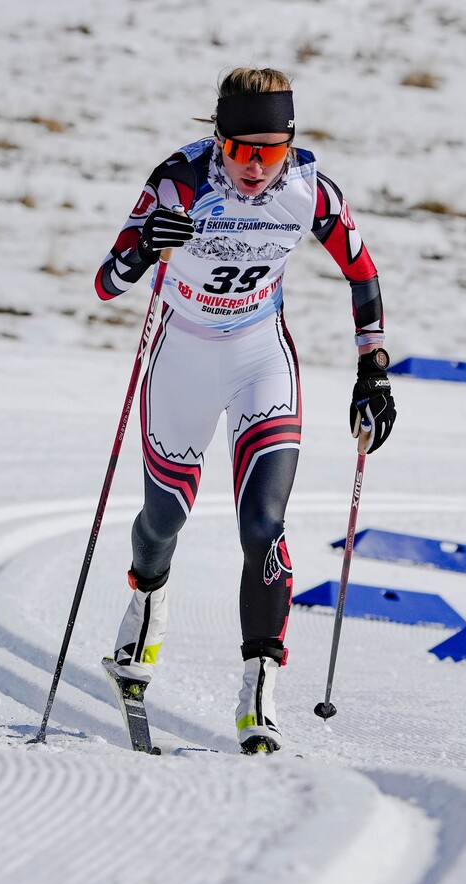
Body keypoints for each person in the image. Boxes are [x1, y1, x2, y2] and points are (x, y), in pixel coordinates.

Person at [95, 67, 396, 754]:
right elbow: (107, 281)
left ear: (290, 144)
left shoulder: (309, 189)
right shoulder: (178, 179)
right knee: (163, 517)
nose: (256, 168)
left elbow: (363, 272)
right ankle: (147, 599)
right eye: (240, 150)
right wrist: (146, 246)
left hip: (262, 355)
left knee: (262, 525)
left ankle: (259, 685)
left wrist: (372, 367)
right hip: (184, 357)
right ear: (218, 140)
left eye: (271, 151)